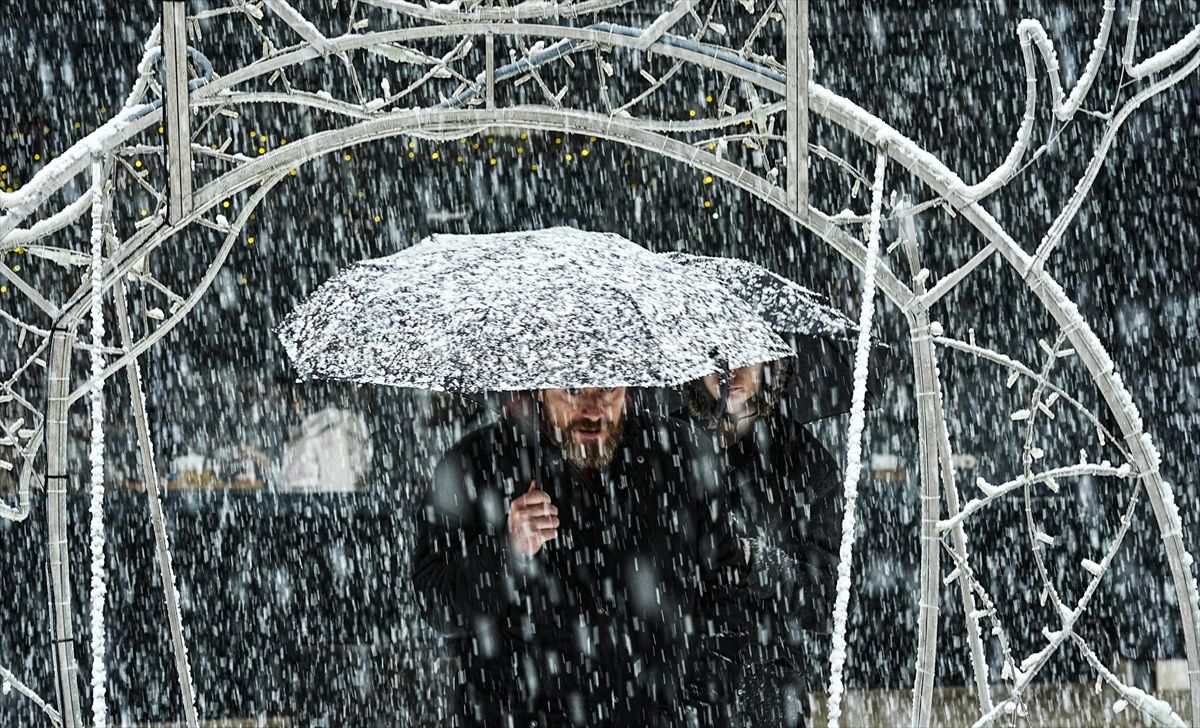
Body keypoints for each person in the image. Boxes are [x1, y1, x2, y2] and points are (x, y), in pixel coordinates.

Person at [411, 386, 745, 727]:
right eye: (573, 392)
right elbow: (439, 605)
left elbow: (728, 589)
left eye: (607, 390)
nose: (593, 412)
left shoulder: (679, 453)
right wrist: (506, 551)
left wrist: (702, 697)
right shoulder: (475, 462)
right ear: (539, 387)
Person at [681, 358, 843, 728]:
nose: (730, 373)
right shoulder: (667, 443)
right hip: (682, 686)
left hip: (769, 692)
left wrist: (759, 562)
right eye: (716, 358)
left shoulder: (803, 458)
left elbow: (830, 598)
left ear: (771, 365)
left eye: (744, 359)